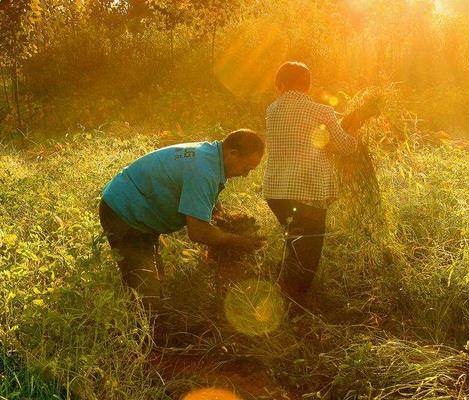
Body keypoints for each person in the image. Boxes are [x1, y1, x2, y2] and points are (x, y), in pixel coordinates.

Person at [99, 129, 265, 313]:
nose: (245, 175)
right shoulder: (204, 170)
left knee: (155, 279)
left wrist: (225, 219)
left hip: (139, 211)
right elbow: (198, 231)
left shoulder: (210, 156)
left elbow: (205, 198)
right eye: (245, 168)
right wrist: (236, 241)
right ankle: (135, 333)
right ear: (233, 154)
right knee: (146, 298)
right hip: (124, 212)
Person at [263, 61, 358, 314]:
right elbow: (345, 147)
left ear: (280, 86)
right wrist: (353, 131)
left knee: (293, 242)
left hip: (276, 192)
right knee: (308, 254)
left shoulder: (272, 110)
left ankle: (282, 296)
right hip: (307, 195)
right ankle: (295, 310)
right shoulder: (322, 112)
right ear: (309, 86)